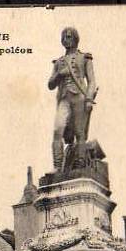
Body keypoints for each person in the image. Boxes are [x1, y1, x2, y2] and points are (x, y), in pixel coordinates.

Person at [48, 27, 96, 171]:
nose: (66, 40)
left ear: (75, 38)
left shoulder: (84, 58)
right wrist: (60, 74)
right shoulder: (58, 62)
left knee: (79, 133)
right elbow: (50, 84)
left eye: (69, 37)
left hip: (79, 98)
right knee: (57, 131)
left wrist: (88, 99)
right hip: (64, 99)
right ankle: (57, 167)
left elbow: (92, 81)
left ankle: (80, 163)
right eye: (64, 37)